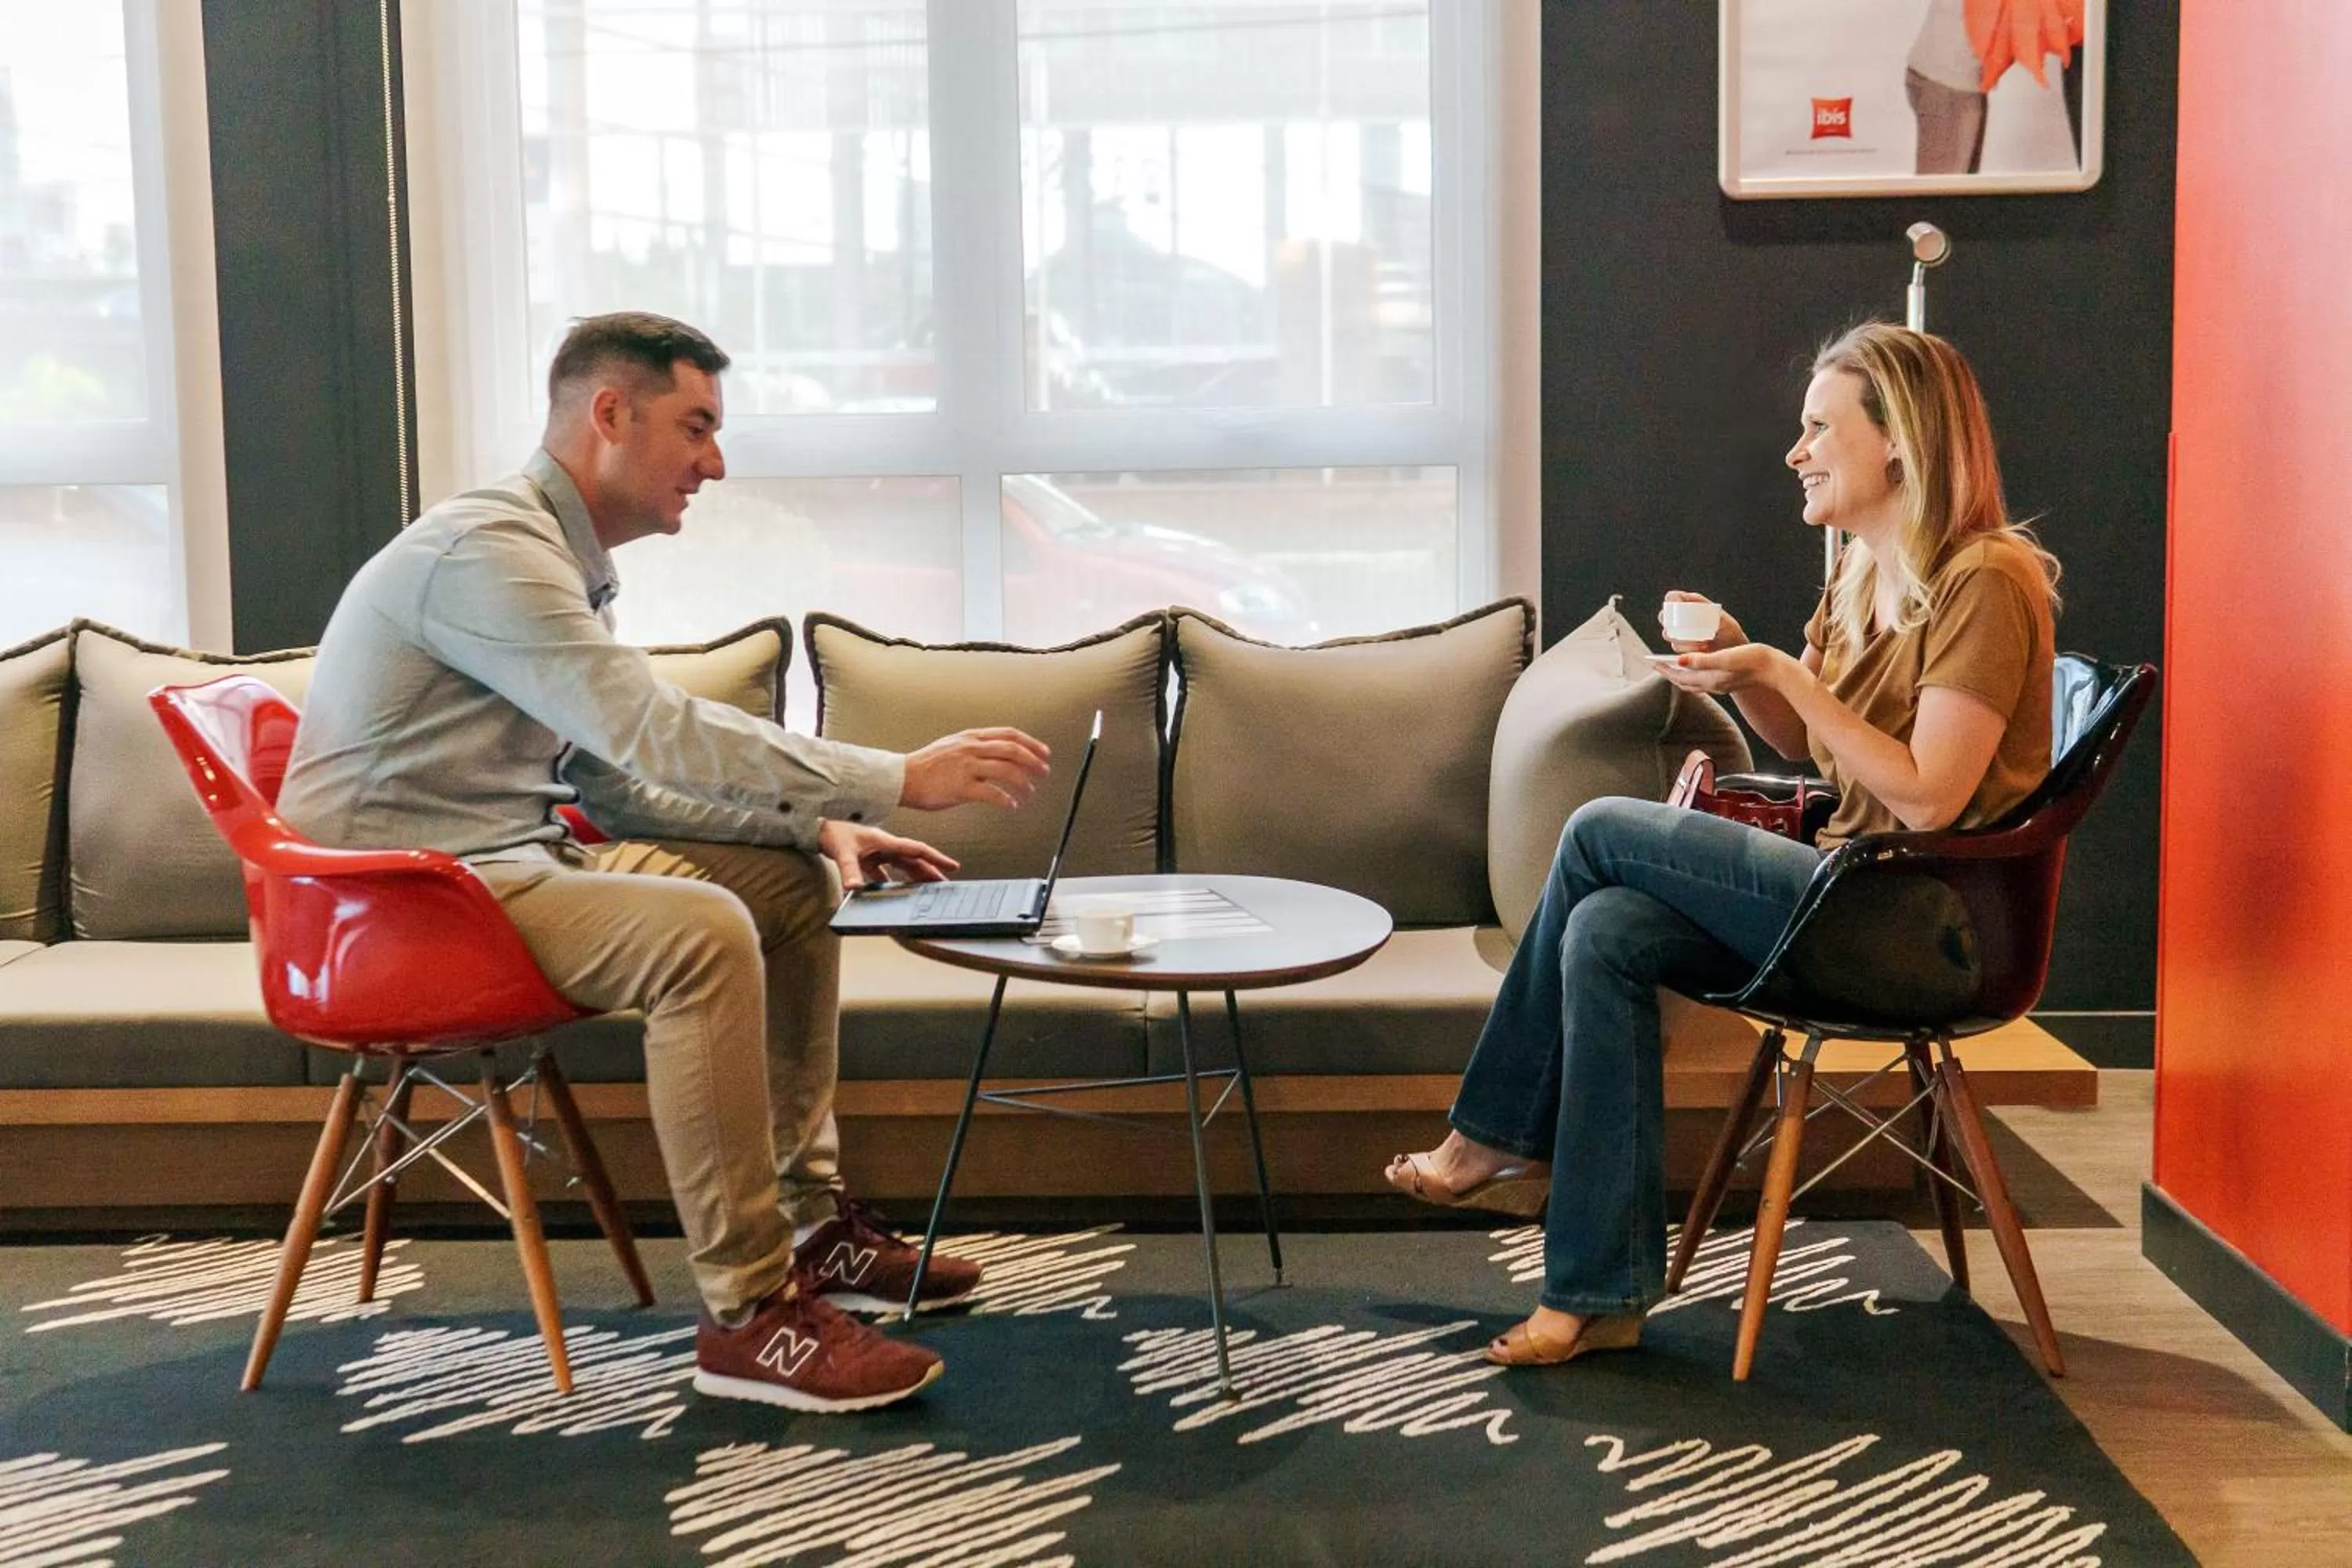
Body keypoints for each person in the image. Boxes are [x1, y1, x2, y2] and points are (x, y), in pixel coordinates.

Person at [277, 310, 1054, 1414]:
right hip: (395, 906)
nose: (715, 463)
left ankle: (811, 1228)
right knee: (700, 936)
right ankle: (748, 1314)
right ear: (610, 414)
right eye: (696, 427)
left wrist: (812, 828)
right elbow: (651, 733)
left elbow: (608, 785)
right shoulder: (491, 556)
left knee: (789, 889)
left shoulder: (559, 561)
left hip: (491, 866)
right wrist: (891, 777)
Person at [1383, 322, 2060, 1367]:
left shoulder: (1986, 581)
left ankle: (1491, 1138)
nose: (1797, 452)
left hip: (1922, 923)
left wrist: (1784, 673)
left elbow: (1928, 798)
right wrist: (1748, 669)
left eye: (1818, 427)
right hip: (1848, 891)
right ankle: (1597, 1297)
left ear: (1899, 440)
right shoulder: (1862, 573)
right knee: (1607, 929)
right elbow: (1820, 757)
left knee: (1598, 828)